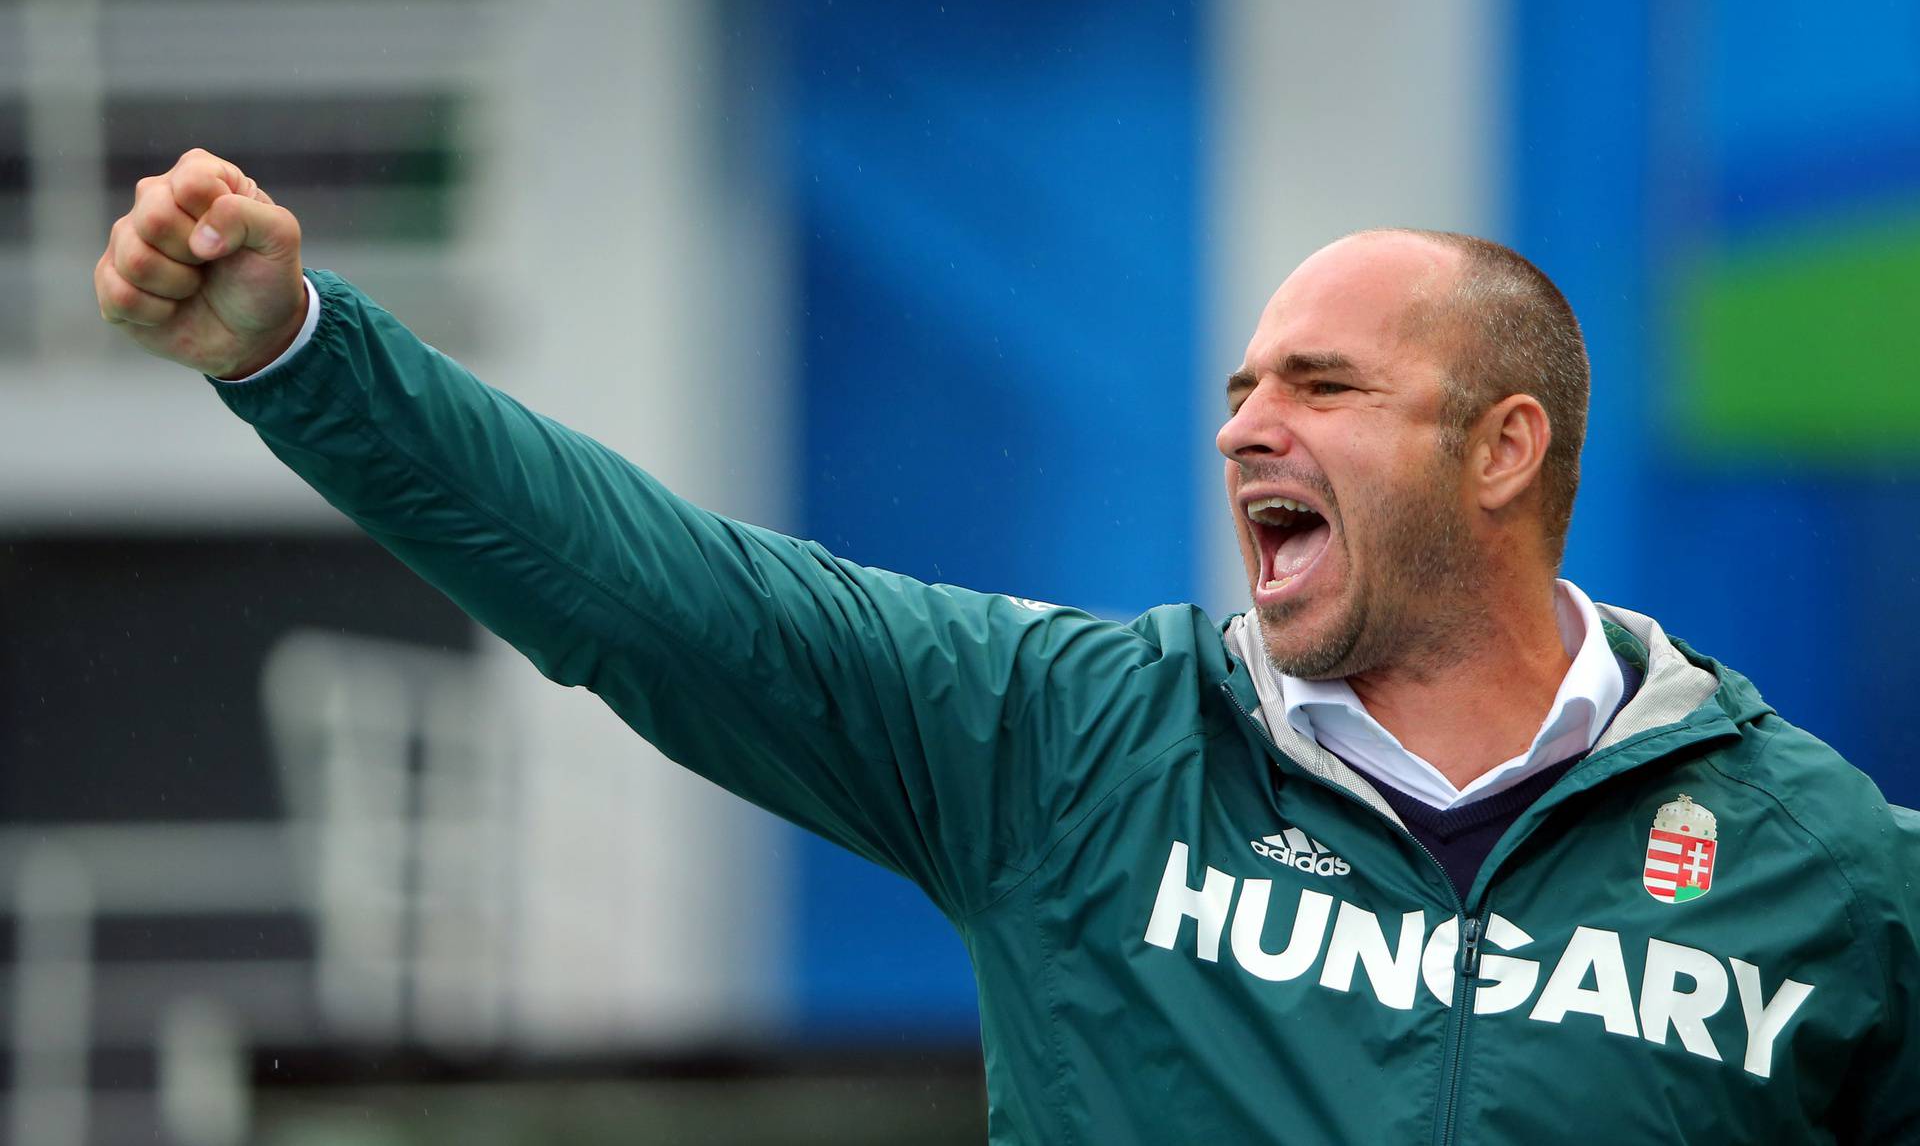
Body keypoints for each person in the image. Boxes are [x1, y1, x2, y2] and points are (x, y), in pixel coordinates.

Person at [95, 149, 1919, 1144]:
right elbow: (649, 589)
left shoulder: (1822, 868)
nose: (1244, 427)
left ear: (1504, 449)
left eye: (1324, 385)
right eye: (1238, 387)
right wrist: (305, 357)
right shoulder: (1079, 747)